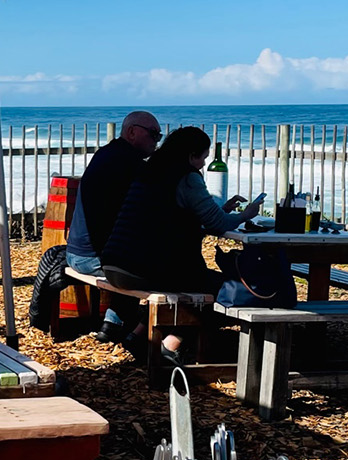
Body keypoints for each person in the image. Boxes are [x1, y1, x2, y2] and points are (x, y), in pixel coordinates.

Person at [101, 125, 263, 368]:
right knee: (221, 291)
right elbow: (218, 225)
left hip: (115, 262)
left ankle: (137, 336)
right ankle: (169, 345)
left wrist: (223, 210)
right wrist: (246, 214)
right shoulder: (186, 176)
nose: (203, 165)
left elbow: (173, 217)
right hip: (143, 268)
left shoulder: (150, 170)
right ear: (190, 156)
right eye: (202, 158)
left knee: (189, 283)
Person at [65, 110, 163, 342]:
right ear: (131, 132)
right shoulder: (130, 164)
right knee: (162, 273)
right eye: (153, 134)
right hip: (93, 258)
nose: (156, 141)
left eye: (159, 136)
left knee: (131, 257)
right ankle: (140, 333)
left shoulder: (107, 153)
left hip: (76, 252)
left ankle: (112, 324)